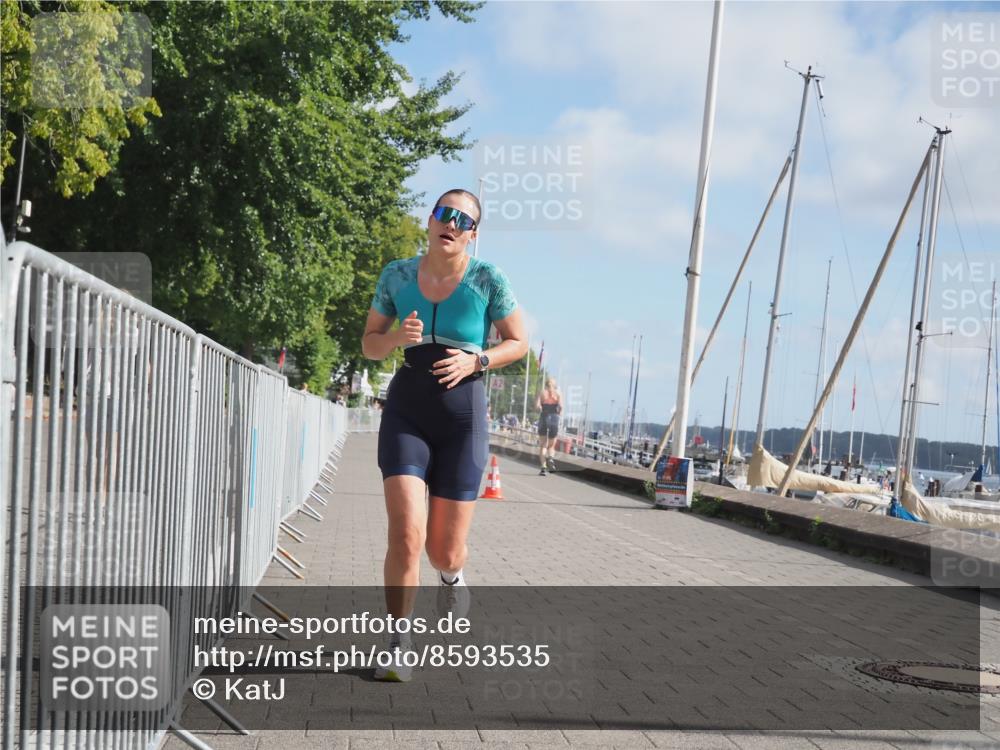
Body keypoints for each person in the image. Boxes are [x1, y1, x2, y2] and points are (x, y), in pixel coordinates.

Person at [361, 188, 527, 681]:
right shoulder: (396, 274)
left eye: (462, 219)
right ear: (430, 219)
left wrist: (479, 358)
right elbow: (370, 344)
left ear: (472, 234)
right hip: (407, 411)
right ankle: (397, 641)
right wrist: (394, 339)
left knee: (442, 550)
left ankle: (452, 577)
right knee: (406, 534)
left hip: (462, 419)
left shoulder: (486, 278)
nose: (450, 223)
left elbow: (518, 343)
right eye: (444, 213)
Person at [535, 377, 562, 476]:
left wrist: (540, 407)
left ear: (546, 384)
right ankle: (550, 457)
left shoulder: (542, 393)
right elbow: (560, 407)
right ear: (554, 385)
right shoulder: (558, 393)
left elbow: (537, 406)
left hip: (544, 416)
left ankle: (543, 467)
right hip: (554, 417)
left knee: (543, 445)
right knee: (551, 445)